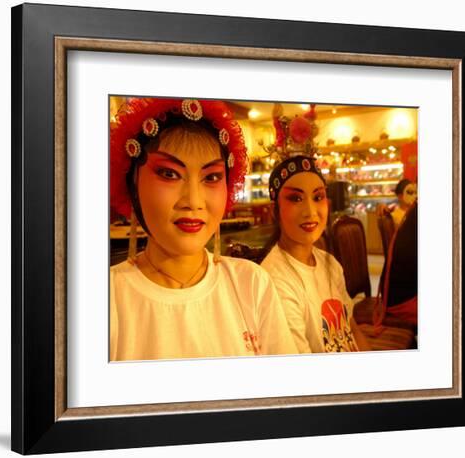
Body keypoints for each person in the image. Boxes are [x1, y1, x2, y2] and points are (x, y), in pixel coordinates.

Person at [110, 97, 297, 361]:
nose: (194, 201)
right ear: (133, 183)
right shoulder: (105, 300)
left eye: (211, 177)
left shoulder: (252, 284)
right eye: (169, 174)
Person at [260, 155, 371, 353]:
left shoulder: (329, 262)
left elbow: (351, 328)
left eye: (318, 197)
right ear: (274, 211)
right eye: (296, 198)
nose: (310, 211)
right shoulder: (274, 280)